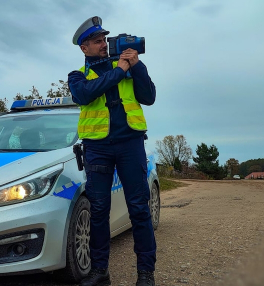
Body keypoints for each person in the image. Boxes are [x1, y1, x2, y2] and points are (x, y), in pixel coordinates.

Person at [68, 17, 157, 286]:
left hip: (130, 144)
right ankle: (100, 271)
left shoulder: (129, 67)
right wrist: (118, 70)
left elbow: (149, 97)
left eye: (104, 40)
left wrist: (137, 66)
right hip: (97, 148)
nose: (103, 45)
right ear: (84, 48)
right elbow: (85, 95)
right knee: (98, 211)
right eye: (97, 42)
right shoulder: (78, 76)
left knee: (140, 209)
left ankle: (145, 274)